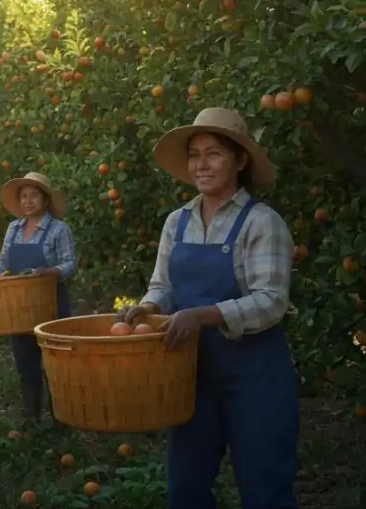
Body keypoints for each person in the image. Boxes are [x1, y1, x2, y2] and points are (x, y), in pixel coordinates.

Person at [116, 107, 298, 509]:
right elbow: (163, 285)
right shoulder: (176, 222)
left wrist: (203, 315)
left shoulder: (262, 223)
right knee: (186, 490)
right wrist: (146, 309)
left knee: (264, 490)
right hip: (189, 375)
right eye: (195, 155)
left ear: (240, 160)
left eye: (213, 153)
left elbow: (271, 301)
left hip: (254, 378)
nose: (201, 164)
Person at [0, 172, 77, 420]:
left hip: (51, 303)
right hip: (19, 305)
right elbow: (3, 262)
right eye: (24, 196)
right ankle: (31, 419)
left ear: (45, 200)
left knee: (54, 363)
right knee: (25, 361)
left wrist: (49, 272)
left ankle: (60, 418)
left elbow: (70, 264)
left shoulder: (58, 229)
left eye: (34, 195)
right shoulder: (14, 228)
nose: (28, 201)